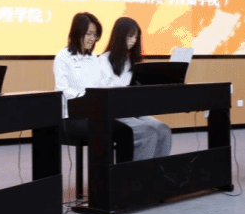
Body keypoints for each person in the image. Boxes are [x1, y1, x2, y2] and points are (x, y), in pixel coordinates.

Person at [54, 12, 136, 160]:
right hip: (71, 117)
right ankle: (101, 174)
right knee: (102, 131)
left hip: (94, 114)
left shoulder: (93, 58)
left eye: (95, 35)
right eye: (89, 34)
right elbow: (63, 90)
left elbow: (100, 85)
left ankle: (122, 173)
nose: (93, 39)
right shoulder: (63, 57)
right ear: (77, 33)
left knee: (125, 131)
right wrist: (86, 99)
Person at [97, 16, 173, 159]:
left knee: (164, 130)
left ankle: (158, 171)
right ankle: (139, 172)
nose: (133, 40)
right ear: (119, 36)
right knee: (148, 132)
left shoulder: (133, 62)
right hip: (116, 113)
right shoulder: (103, 60)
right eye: (130, 36)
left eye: (136, 37)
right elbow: (105, 92)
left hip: (135, 111)